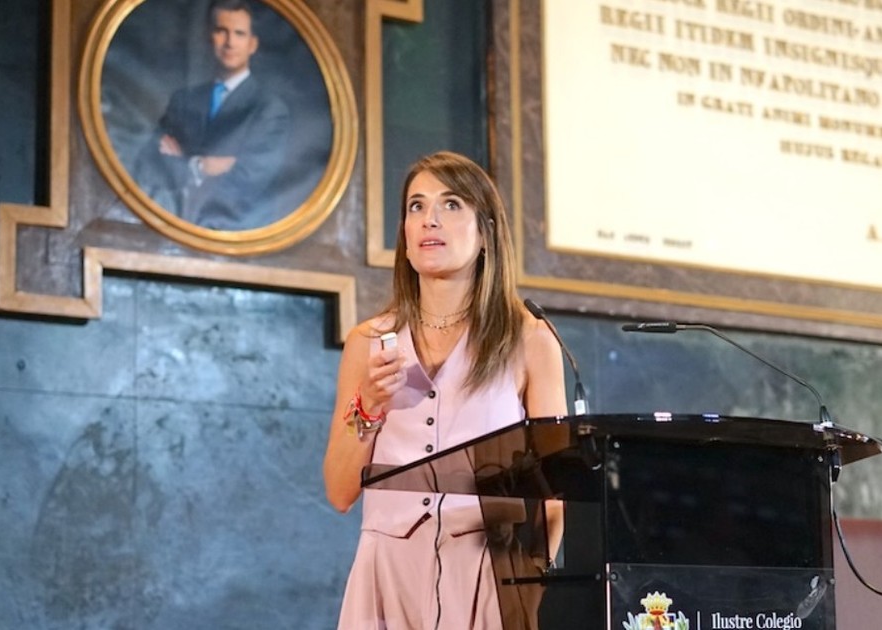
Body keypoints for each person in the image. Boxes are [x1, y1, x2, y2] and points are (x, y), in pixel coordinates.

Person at [322, 151, 568, 629]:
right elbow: (339, 490)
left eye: (451, 204)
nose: (429, 219)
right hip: (387, 576)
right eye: (416, 206)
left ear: (486, 233)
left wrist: (530, 585)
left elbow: (556, 492)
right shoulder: (368, 341)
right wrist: (369, 404)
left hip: (490, 574)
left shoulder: (530, 339)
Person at [133, 0, 290, 231]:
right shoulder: (184, 100)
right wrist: (199, 167)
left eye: (239, 34)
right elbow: (148, 164)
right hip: (173, 229)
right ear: (209, 38)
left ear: (252, 44)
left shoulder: (269, 109)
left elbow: (249, 181)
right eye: (221, 31)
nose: (230, 42)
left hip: (236, 236)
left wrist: (182, 162)